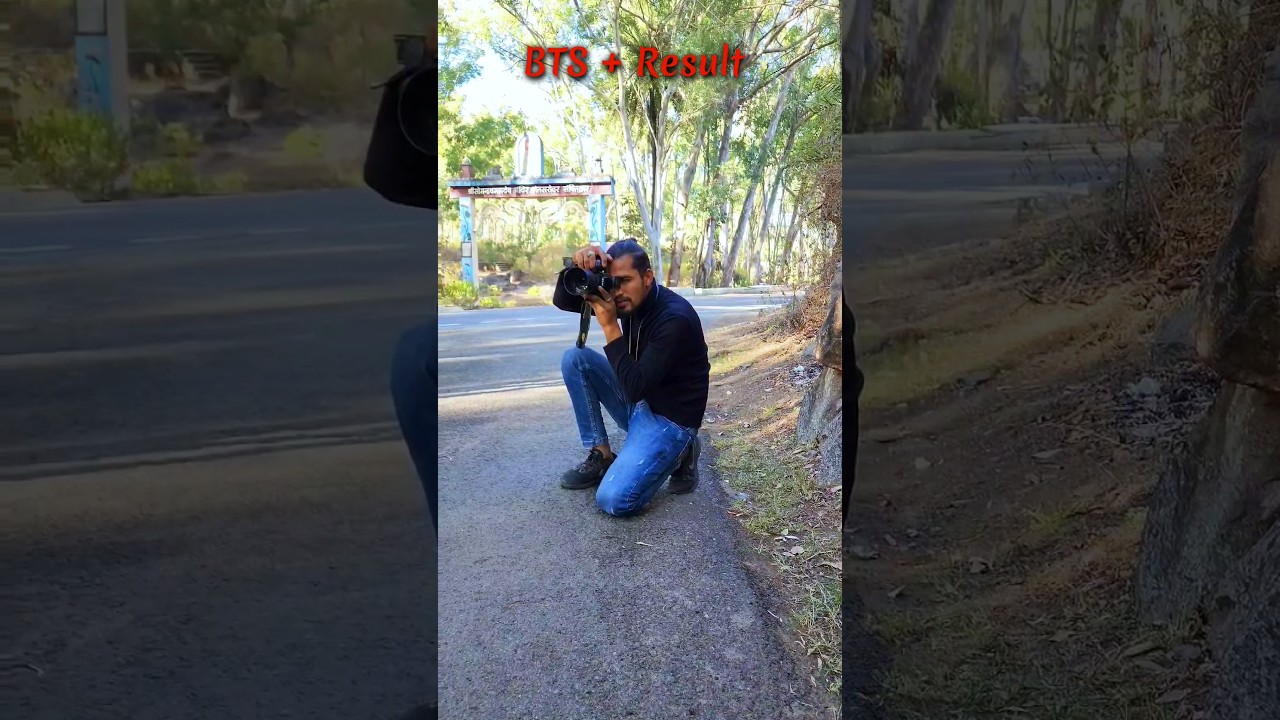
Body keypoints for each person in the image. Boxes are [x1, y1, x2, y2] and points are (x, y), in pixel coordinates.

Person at [552, 238, 710, 517]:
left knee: (615, 500)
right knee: (575, 360)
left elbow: (635, 387)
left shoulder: (675, 318)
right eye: (612, 282)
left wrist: (611, 326)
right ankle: (602, 455)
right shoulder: (627, 300)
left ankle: (683, 449)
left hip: (668, 421)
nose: (617, 291)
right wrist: (578, 266)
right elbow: (563, 301)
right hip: (639, 399)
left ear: (647, 277)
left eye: (625, 281)